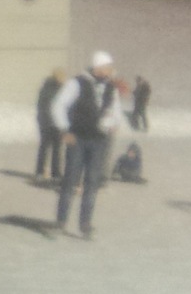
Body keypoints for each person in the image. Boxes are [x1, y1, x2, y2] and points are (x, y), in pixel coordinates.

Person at [51, 51, 124, 237]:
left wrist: (113, 123)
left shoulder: (111, 88)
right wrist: (64, 129)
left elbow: (116, 112)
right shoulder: (77, 83)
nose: (110, 70)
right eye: (107, 67)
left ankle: (85, 224)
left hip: (99, 141)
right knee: (70, 181)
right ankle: (60, 222)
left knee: (92, 183)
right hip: (78, 139)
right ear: (97, 67)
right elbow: (58, 105)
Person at [34, 67, 65, 180]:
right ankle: (40, 171)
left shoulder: (62, 89)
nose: (63, 79)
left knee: (57, 148)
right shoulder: (48, 88)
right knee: (45, 147)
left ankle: (55, 173)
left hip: (56, 123)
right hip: (46, 122)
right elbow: (44, 106)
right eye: (61, 77)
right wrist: (46, 120)